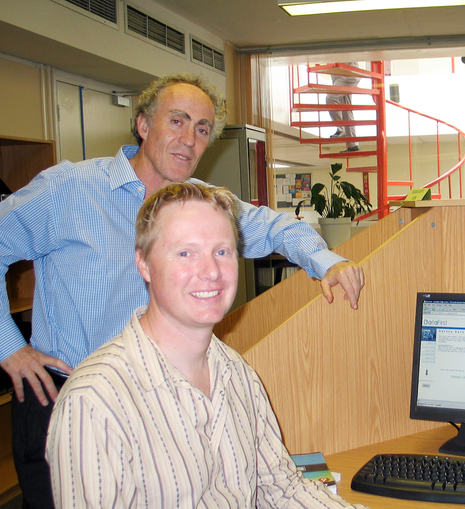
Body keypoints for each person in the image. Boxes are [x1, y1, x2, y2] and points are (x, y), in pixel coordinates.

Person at [0, 73, 365, 509]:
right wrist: (9, 346)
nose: (189, 139)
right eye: (177, 121)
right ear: (142, 124)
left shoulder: (203, 206)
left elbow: (275, 226)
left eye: (202, 128)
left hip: (167, 400)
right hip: (70, 397)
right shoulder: (70, 190)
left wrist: (329, 262)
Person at [46, 182, 370, 508]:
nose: (211, 271)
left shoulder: (237, 373)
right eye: (185, 253)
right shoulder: (94, 402)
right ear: (143, 263)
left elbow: (282, 489)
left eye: (222, 251)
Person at [327, 63, 361, 152]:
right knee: (346, 107)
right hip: (341, 75)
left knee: (331, 98)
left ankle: (341, 129)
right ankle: (352, 144)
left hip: (346, 76)